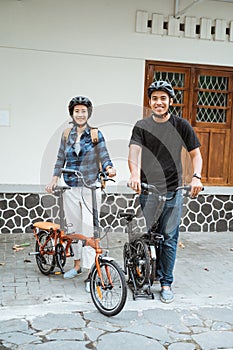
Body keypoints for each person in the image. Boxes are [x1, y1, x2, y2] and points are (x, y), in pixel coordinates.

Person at [128, 80, 203, 303]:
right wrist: (133, 174)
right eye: (154, 98)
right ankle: (143, 272)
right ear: (150, 102)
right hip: (148, 189)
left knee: (169, 237)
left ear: (170, 101)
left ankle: (166, 282)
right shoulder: (142, 125)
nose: (158, 102)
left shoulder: (182, 125)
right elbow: (134, 153)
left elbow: (195, 155)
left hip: (173, 189)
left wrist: (196, 176)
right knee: (149, 235)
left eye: (163, 98)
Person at [46, 96, 116, 291]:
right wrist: (54, 178)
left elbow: (104, 154)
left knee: (89, 230)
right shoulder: (66, 134)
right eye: (77, 111)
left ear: (88, 113)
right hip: (70, 186)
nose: (80, 114)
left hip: (90, 187)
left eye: (83, 111)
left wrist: (110, 168)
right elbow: (60, 158)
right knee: (73, 228)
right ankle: (77, 265)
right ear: (72, 113)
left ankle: (91, 273)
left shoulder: (95, 134)